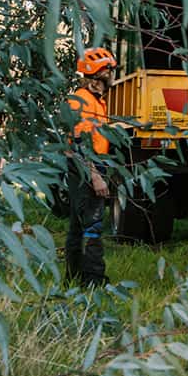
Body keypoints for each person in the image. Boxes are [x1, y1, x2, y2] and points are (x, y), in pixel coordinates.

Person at [65, 47, 116, 286]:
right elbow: (79, 145)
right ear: (99, 73)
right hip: (86, 167)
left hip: (88, 166)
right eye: (110, 70)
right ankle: (93, 281)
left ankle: (73, 277)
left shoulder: (94, 101)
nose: (113, 74)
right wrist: (96, 176)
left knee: (78, 225)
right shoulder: (83, 102)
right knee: (92, 225)